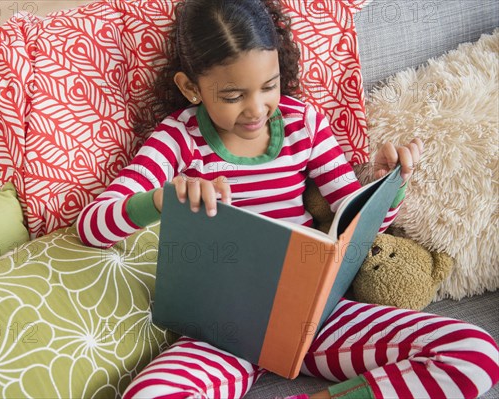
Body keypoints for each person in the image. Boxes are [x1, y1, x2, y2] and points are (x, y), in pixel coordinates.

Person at [77, 0, 499, 398]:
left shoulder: (303, 123)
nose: (256, 108)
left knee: (475, 354)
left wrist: (389, 186)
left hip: (318, 318)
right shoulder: (177, 139)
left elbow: (356, 232)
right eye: (232, 95)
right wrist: (159, 199)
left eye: (269, 86)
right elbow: (92, 226)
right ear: (191, 88)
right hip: (223, 332)